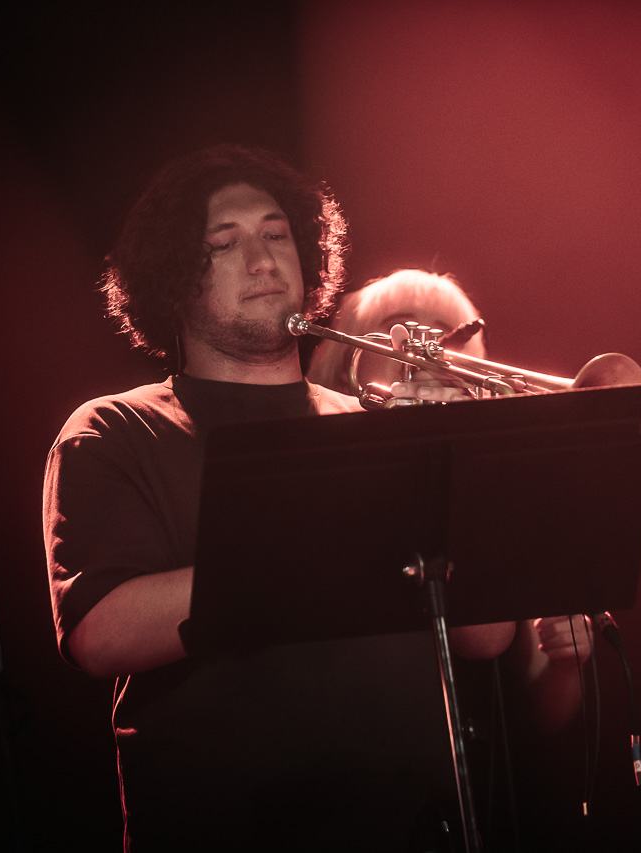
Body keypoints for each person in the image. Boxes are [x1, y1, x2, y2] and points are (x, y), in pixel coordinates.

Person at [43, 145, 513, 851]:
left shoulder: (373, 426)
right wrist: (303, 540)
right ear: (171, 279)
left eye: (276, 234)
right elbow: (98, 635)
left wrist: (455, 455)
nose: (262, 260)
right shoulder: (116, 429)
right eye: (223, 244)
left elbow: (488, 635)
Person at [307, 270, 594, 736]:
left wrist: (567, 663)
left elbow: (541, 716)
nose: (427, 350)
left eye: (446, 335)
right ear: (349, 358)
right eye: (401, 327)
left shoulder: (503, 492)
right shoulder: (315, 470)